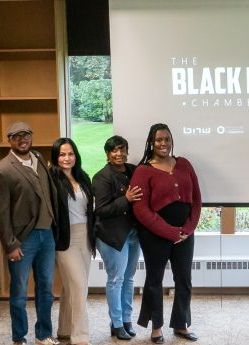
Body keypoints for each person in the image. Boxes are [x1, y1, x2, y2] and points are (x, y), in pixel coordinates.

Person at [131, 123, 202, 344]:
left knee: (184, 279)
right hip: (155, 233)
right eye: (159, 140)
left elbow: (197, 200)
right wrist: (170, 232)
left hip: (184, 234)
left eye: (167, 139)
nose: (163, 143)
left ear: (172, 141)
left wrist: (188, 229)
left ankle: (181, 324)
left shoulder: (184, 164)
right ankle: (156, 327)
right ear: (151, 143)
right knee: (154, 280)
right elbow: (141, 210)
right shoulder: (143, 170)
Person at [0, 122, 59, 345]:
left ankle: (44, 334)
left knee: (46, 289)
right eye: (16, 136)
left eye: (26, 134)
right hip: (23, 239)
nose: (23, 139)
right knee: (19, 292)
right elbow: (0, 213)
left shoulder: (38, 157)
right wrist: (10, 244)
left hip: (46, 235)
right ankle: (19, 337)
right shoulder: (3, 169)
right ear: (9, 140)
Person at [93, 135, 143, 341]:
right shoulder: (101, 177)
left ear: (127, 151)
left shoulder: (133, 170)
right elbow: (102, 210)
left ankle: (127, 320)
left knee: (129, 278)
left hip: (133, 234)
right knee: (116, 279)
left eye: (122, 149)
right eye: (114, 150)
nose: (119, 154)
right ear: (107, 154)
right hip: (111, 236)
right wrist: (127, 199)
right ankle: (116, 323)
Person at [50, 138, 94, 345]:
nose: (67, 158)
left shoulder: (83, 177)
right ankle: (80, 338)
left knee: (70, 287)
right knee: (79, 286)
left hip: (85, 236)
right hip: (65, 239)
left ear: (76, 155)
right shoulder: (51, 179)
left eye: (70, 154)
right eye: (62, 154)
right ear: (55, 157)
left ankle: (65, 330)